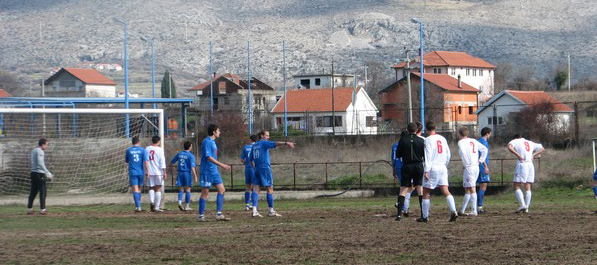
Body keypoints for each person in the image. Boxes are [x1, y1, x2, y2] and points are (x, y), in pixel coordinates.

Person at [250, 129, 295, 218]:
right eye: (267, 135)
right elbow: (275, 143)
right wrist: (286, 143)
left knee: (256, 189)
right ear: (262, 136)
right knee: (269, 188)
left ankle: (254, 211)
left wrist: (255, 167)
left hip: (257, 168)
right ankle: (271, 211)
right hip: (264, 168)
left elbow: (250, 159)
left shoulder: (254, 145)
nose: (268, 137)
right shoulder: (263, 143)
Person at [418, 122, 458, 222]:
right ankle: (453, 211)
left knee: (426, 192)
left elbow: (428, 155)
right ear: (435, 128)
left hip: (433, 167)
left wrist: (426, 170)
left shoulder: (428, 140)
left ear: (426, 129)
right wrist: (445, 164)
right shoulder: (442, 138)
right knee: (445, 190)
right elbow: (448, 154)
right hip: (443, 167)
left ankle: (425, 216)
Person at [198, 124, 232, 222]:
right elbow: (208, 157)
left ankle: (219, 214)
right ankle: (201, 216)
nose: (219, 132)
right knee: (205, 192)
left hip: (214, 171)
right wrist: (222, 165)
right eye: (218, 130)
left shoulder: (213, 142)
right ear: (214, 132)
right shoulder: (206, 141)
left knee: (221, 189)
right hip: (207, 171)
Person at [394, 122, 425, 221]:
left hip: (407, 166)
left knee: (403, 189)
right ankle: (423, 213)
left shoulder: (402, 140)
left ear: (407, 130)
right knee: (419, 188)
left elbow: (398, 155)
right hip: (418, 165)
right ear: (417, 130)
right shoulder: (421, 140)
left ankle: (399, 214)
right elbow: (424, 155)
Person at [508, 134, 544, 213]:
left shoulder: (515, 141)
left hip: (522, 163)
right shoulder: (529, 142)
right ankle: (526, 208)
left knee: (517, 185)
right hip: (530, 165)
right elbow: (542, 148)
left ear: (515, 138)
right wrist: (533, 154)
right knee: (528, 185)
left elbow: (509, 147)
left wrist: (518, 155)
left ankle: (522, 205)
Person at [457, 127, 488, 216]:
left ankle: (474, 210)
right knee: (467, 188)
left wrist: (466, 164)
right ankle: (462, 210)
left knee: (472, 188)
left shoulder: (461, 142)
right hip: (475, 166)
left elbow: (463, 153)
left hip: (469, 167)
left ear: (460, 134)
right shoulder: (473, 141)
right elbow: (484, 150)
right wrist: (480, 160)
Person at [170, 141, 198, 211]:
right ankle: (187, 206)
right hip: (187, 173)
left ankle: (179, 202)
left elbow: (172, 162)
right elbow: (192, 167)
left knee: (181, 189)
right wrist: (195, 176)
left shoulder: (179, 154)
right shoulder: (190, 156)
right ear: (190, 147)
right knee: (188, 189)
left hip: (180, 173)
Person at [28, 138, 52, 215]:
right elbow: (40, 163)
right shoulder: (40, 151)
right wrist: (47, 172)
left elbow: (32, 162)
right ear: (43, 145)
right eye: (46, 145)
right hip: (39, 174)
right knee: (43, 191)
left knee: (33, 191)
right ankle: (42, 209)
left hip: (33, 173)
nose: (47, 146)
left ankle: (30, 209)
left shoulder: (34, 150)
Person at [125, 136, 149, 212]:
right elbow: (146, 161)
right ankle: (138, 206)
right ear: (138, 142)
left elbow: (127, 160)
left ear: (132, 142)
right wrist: (148, 171)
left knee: (135, 190)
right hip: (141, 172)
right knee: (139, 189)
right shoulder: (143, 150)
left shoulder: (128, 150)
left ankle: (138, 207)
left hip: (133, 172)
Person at [146, 135, 167, 213]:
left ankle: (151, 201)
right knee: (158, 189)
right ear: (158, 141)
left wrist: (146, 170)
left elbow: (146, 160)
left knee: (151, 188)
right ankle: (157, 207)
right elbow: (162, 161)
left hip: (150, 171)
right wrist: (164, 171)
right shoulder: (160, 150)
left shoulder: (147, 149)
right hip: (158, 172)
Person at [240, 135, 258, 211]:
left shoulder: (246, 147)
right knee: (255, 187)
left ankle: (247, 205)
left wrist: (247, 163)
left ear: (250, 140)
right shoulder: (257, 147)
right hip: (254, 169)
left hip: (247, 168)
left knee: (248, 187)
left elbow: (241, 159)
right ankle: (253, 205)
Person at [477, 127, 492, 214]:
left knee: (482, 186)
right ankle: (479, 207)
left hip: (481, 165)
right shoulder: (483, 142)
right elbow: (481, 155)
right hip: (482, 166)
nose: (490, 135)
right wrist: (485, 166)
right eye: (490, 134)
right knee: (483, 186)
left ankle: (478, 206)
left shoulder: (480, 141)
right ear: (487, 134)